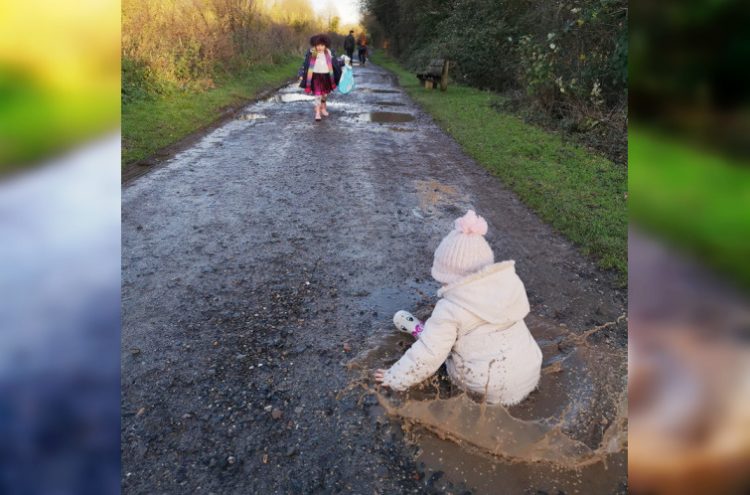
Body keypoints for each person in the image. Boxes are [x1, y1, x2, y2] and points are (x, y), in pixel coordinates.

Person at [374, 210, 543, 406]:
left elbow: (428, 355)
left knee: (441, 349)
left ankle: (423, 332)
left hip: (486, 389)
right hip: (530, 373)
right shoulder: (506, 288)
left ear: (450, 277)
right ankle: (432, 334)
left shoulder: (450, 309)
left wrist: (395, 377)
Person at [297, 34, 341, 121]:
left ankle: (323, 107)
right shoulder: (311, 53)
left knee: (324, 95)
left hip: (327, 77)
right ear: (315, 45)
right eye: (318, 45)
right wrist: (301, 74)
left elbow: (336, 63)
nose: (320, 47)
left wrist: (345, 62)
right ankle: (317, 112)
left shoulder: (329, 53)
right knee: (318, 95)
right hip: (315, 77)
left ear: (325, 45)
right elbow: (304, 65)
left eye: (322, 45)